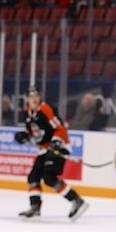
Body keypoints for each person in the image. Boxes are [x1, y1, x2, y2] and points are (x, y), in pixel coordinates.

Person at [15, 86, 89, 221]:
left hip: (59, 147)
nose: (34, 99)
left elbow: (59, 128)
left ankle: (77, 200)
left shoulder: (45, 109)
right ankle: (35, 207)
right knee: (33, 177)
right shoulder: (27, 112)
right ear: (27, 99)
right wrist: (25, 136)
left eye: (36, 96)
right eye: (31, 96)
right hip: (45, 149)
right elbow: (34, 133)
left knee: (49, 177)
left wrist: (57, 142)